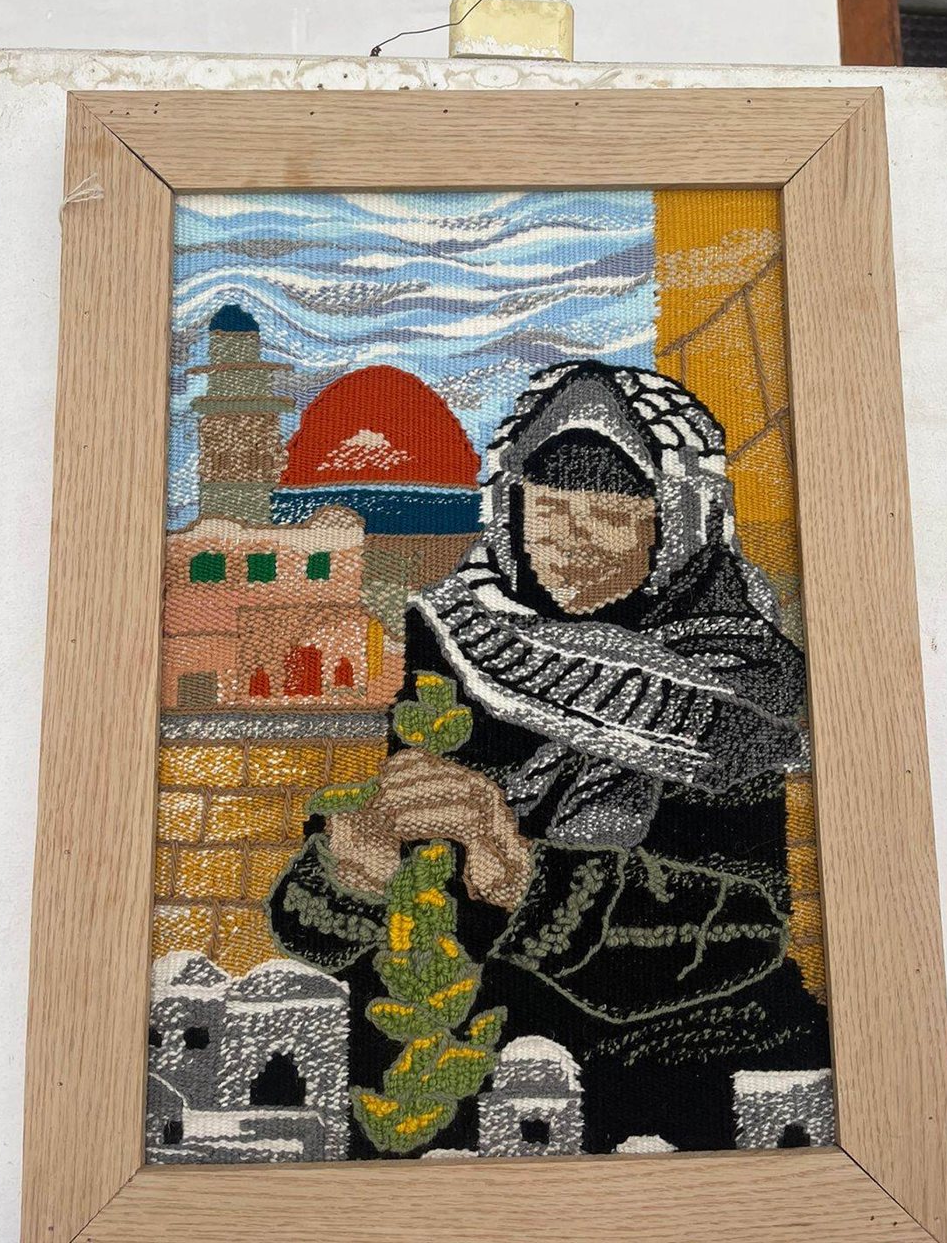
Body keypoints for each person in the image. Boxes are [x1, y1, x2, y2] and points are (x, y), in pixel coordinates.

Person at [269, 360, 830, 1155]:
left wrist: (522, 876)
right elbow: (335, 928)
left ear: (678, 522)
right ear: (510, 508)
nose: (571, 539)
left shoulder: (735, 689)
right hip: (451, 1076)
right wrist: (352, 875)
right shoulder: (463, 641)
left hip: (665, 1088)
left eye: (611, 514)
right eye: (550, 507)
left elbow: (748, 927)